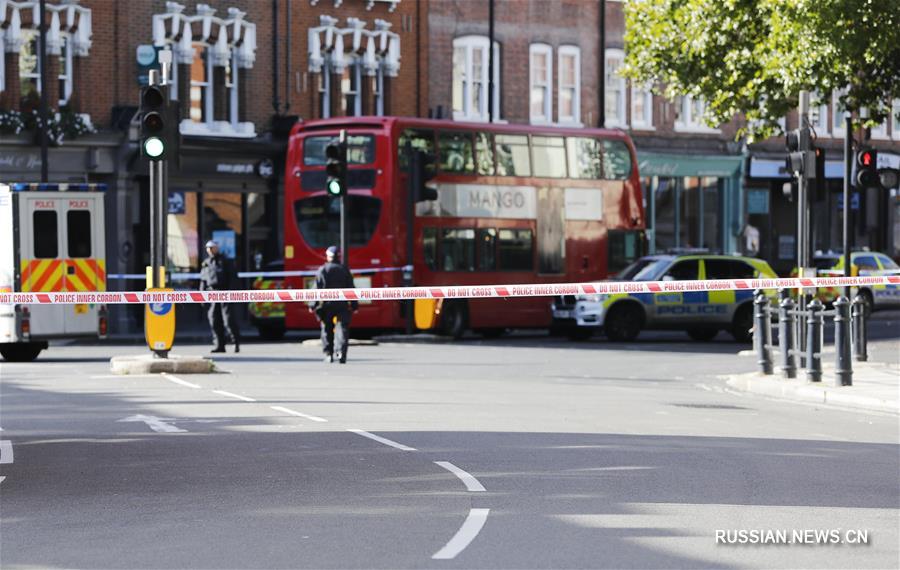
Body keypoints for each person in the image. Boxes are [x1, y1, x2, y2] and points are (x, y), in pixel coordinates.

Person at [310, 246, 357, 363]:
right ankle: (341, 353)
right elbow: (351, 288)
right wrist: (354, 305)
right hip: (342, 304)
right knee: (342, 329)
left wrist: (313, 305)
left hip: (327, 304)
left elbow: (317, 288)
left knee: (326, 329)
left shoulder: (323, 270)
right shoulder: (344, 269)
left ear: (328, 256)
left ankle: (329, 354)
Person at [200, 240, 240, 353]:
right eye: (208, 248)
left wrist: (232, 293)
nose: (210, 250)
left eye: (212, 248)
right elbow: (203, 281)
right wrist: (201, 296)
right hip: (212, 294)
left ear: (217, 248)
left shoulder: (226, 261)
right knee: (214, 320)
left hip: (225, 293)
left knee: (228, 320)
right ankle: (219, 345)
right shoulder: (206, 263)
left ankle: (235, 343)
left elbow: (233, 278)